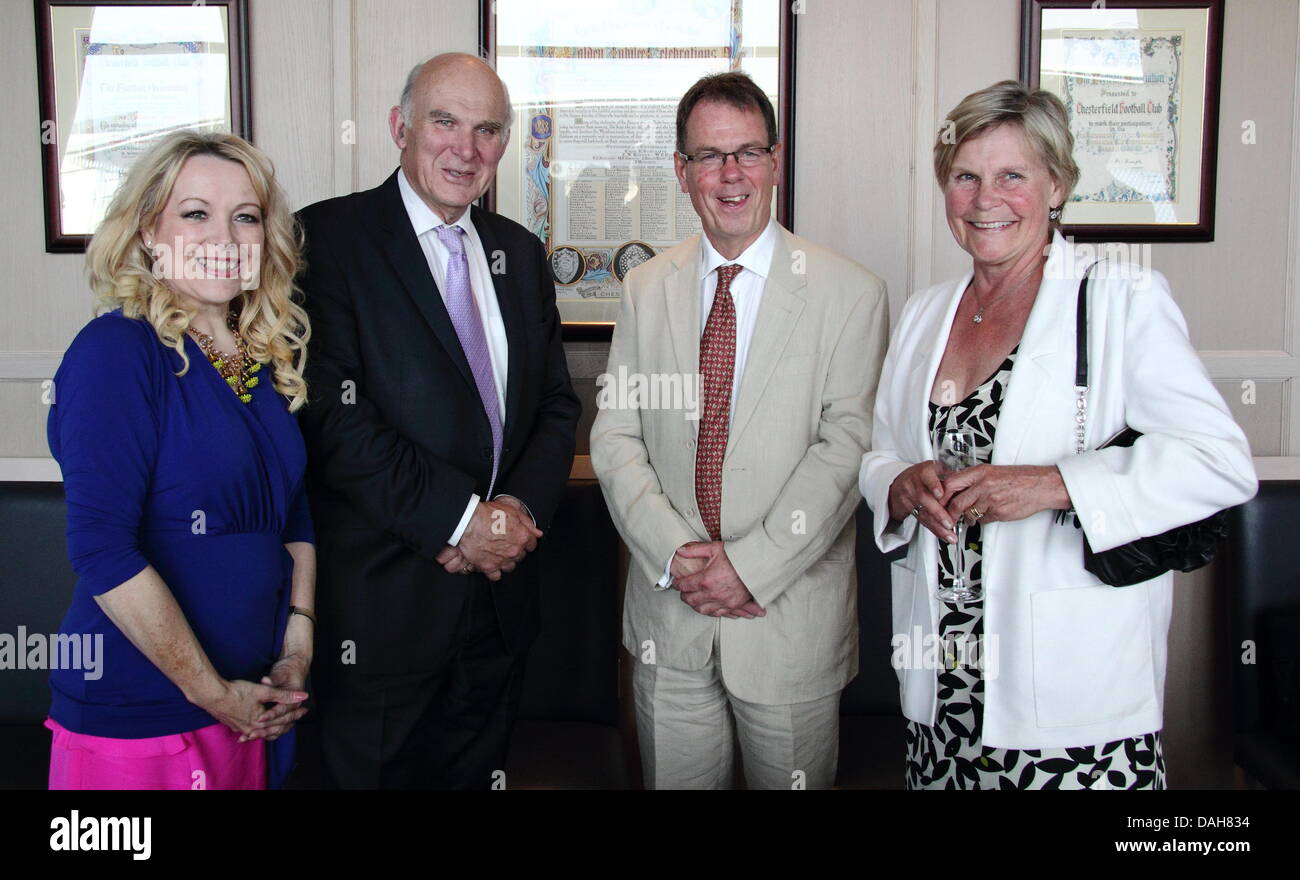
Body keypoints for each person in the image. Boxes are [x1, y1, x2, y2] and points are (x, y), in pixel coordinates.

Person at [859, 80, 1257, 789]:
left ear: (1057, 185)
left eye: (1013, 175)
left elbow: (1220, 462)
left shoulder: (1119, 298)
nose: (986, 199)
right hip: (943, 691)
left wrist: (1052, 484)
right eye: (966, 177)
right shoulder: (926, 312)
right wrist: (896, 482)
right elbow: (881, 448)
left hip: (1071, 700)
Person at [590, 71, 889, 790]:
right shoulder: (644, 288)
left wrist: (747, 568)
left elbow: (846, 448)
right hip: (672, 614)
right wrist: (678, 557)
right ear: (680, 171)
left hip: (787, 626)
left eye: (748, 153)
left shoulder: (851, 292)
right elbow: (617, 434)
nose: (731, 175)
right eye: (709, 157)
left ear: (776, 162)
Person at [296, 53, 580, 790]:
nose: (466, 147)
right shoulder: (325, 241)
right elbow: (331, 417)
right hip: (381, 616)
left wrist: (510, 513)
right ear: (400, 127)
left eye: (487, 129)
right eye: (444, 122)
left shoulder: (518, 251)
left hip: (499, 608)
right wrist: (462, 524)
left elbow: (555, 405)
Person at [45, 131, 316, 790]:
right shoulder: (117, 351)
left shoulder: (263, 358)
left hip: (254, 700)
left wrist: (298, 646)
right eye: (195, 213)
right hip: (143, 711)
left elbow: (296, 516)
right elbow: (102, 548)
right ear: (147, 232)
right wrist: (210, 692)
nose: (223, 236)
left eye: (244, 216)